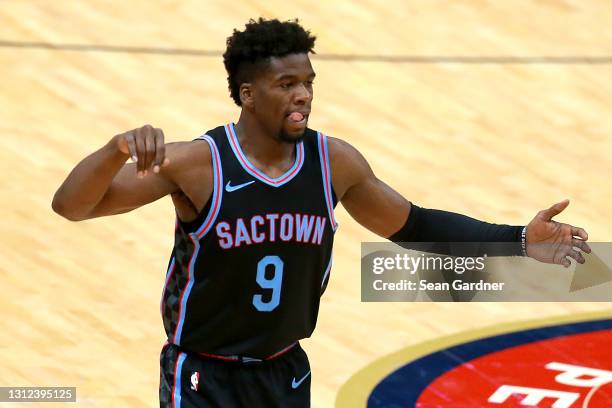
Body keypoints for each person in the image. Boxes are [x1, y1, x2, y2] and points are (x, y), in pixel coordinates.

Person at [52, 18, 590, 408]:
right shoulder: (198, 163)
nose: (303, 96)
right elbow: (72, 206)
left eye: (308, 83)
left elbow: (415, 225)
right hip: (203, 377)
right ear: (247, 94)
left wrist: (519, 240)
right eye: (286, 85)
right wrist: (115, 149)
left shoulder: (333, 162)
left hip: (285, 370)